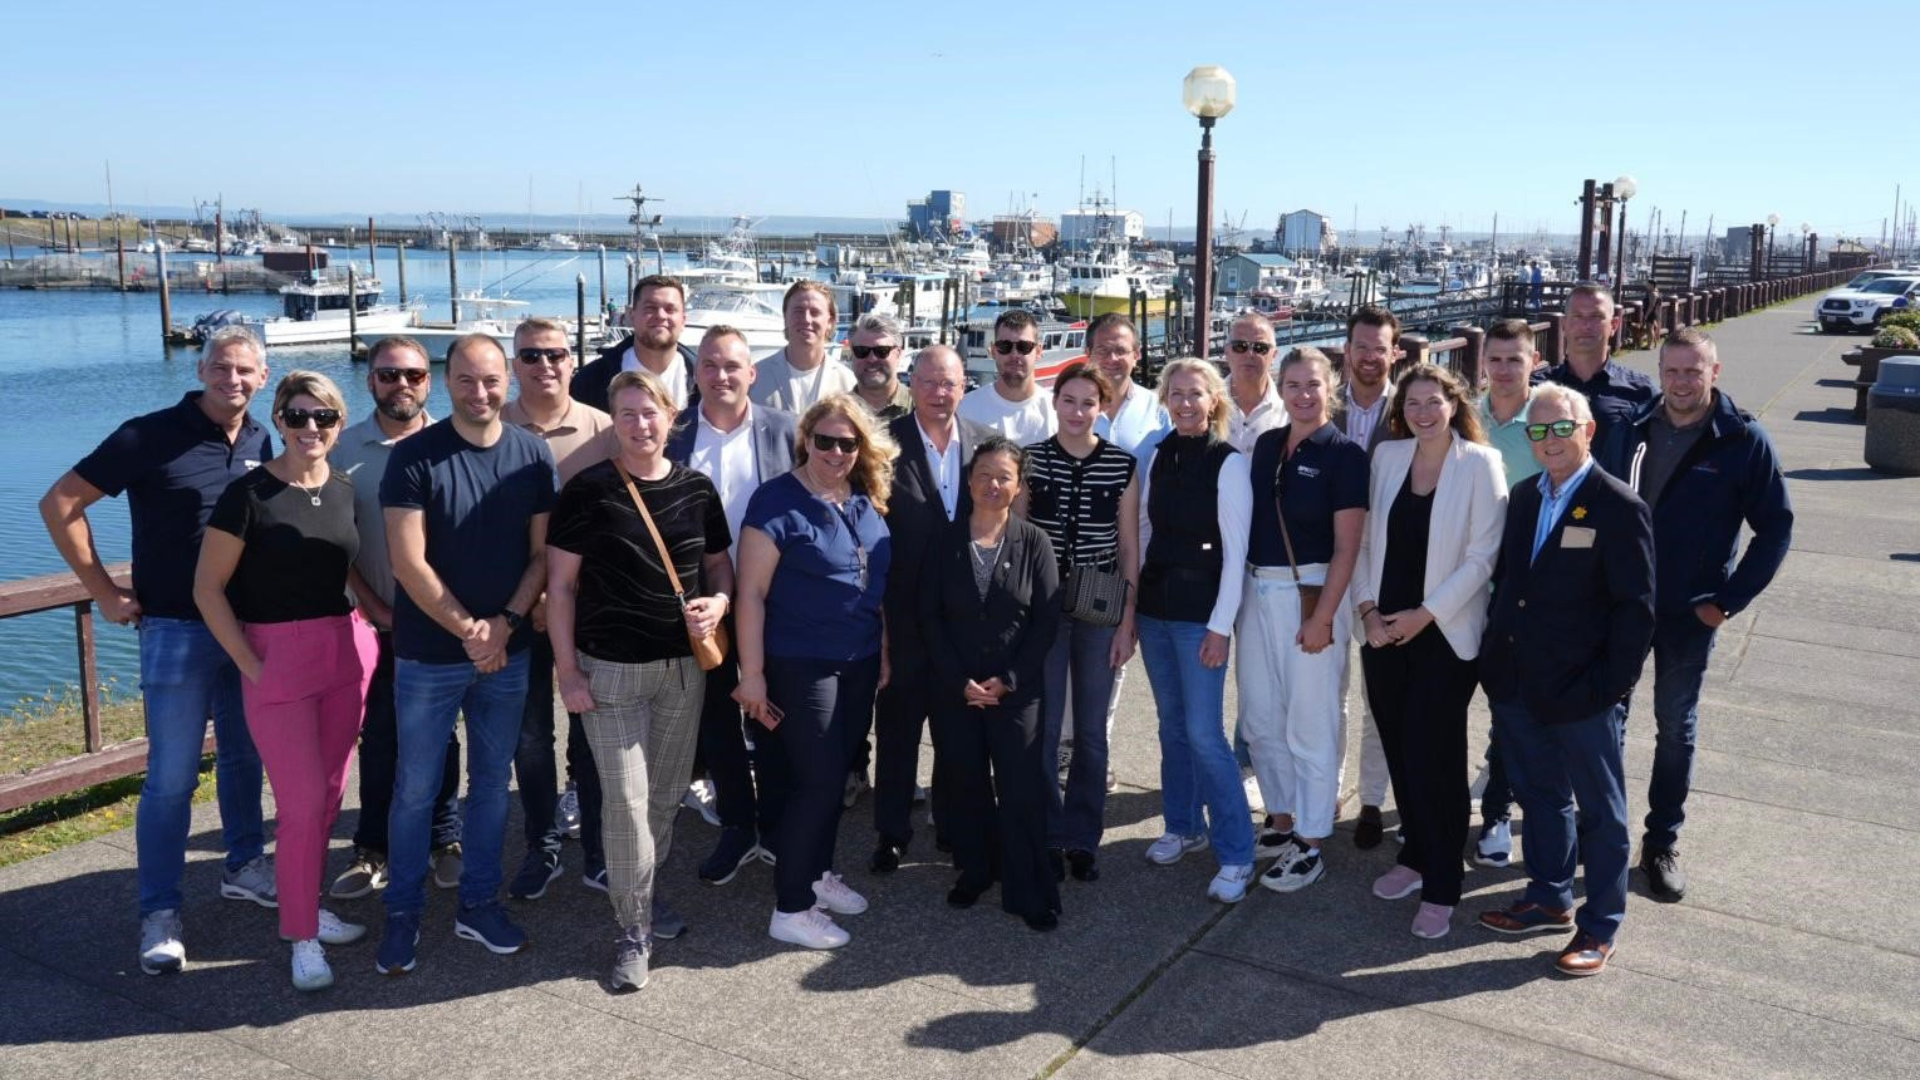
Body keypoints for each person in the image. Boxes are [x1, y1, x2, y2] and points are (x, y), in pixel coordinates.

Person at [40, 325, 272, 976]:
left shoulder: (260, 437)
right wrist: (104, 591)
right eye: (222, 368)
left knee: (244, 755)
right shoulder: (146, 434)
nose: (234, 380)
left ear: (264, 376)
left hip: (246, 626)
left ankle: (245, 866)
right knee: (171, 777)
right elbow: (60, 503)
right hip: (176, 627)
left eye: (246, 371)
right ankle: (161, 912)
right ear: (200, 370)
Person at [376, 334, 557, 975]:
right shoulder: (414, 457)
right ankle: (401, 915)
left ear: (506, 379)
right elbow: (408, 560)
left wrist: (504, 625)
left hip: (508, 652)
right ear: (445, 382)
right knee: (416, 790)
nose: (479, 393)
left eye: (489, 380)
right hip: (430, 654)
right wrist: (469, 630)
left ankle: (478, 903)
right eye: (465, 380)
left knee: (491, 790)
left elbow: (541, 555)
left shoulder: (533, 455)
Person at [548, 369, 734, 993]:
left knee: (663, 798)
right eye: (626, 414)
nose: (639, 425)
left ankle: (644, 898)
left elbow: (718, 567)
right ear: (614, 420)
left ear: (671, 416)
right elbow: (562, 588)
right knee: (626, 805)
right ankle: (632, 931)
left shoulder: (697, 489)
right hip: (609, 674)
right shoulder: (587, 491)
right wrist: (568, 671)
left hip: (683, 672)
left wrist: (721, 604)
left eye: (649, 413)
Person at [192, 371, 378, 990]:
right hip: (275, 656)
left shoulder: (347, 489)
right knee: (299, 807)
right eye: (296, 417)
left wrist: (376, 633)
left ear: (338, 422)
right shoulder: (247, 495)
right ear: (278, 419)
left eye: (322, 417)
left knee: (327, 798)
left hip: (343, 651)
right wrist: (251, 664)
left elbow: (345, 570)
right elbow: (207, 589)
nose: (309, 429)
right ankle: (300, 935)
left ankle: (308, 905)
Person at [1600, 328, 1792, 902]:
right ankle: (1603, 833)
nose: (1682, 383)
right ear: (1658, 372)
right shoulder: (1630, 428)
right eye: (1672, 371)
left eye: (1693, 371)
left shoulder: (1741, 438)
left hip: (1689, 615)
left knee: (1674, 731)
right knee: (1606, 725)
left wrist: (1726, 602)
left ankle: (1660, 843)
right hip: (1623, 607)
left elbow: (1775, 527)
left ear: (1715, 371)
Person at [1477, 384, 1654, 977]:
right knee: (1540, 795)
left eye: (1561, 429)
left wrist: (1611, 687)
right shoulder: (1526, 496)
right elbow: (1511, 585)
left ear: (1587, 431)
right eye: (1538, 431)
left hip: (1585, 689)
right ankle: (1550, 894)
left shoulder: (1619, 506)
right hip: (1521, 682)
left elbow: (1636, 611)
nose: (1549, 442)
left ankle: (1600, 925)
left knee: (1601, 812)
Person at [734, 394, 897, 949]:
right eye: (824, 440)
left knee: (837, 779)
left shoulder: (864, 497)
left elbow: (877, 585)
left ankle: (816, 875)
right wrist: (751, 674)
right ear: (806, 439)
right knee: (817, 780)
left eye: (847, 443)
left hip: (858, 659)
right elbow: (751, 594)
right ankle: (791, 907)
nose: (834, 451)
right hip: (799, 662)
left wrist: (885, 651)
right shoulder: (775, 501)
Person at [1351, 364, 1508, 939]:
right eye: (1411, 403)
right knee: (1397, 747)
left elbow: (1483, 556)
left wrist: (1425, 615)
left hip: (1444, 635)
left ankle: (1442, 883)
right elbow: (1365, 541)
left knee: (1436, 759)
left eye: (1432, 402)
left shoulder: (1480, 464)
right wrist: (1368, 611)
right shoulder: (1388, 458)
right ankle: (1415, 854)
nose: (1422, 413)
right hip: (1382, 630)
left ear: (1453, 403)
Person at [329, 337, 465, 901]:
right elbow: (335, 542)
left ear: (428, 382)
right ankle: (372, 847)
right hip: (375, 620)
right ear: (370, 382)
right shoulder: (341, 451)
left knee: (443, 738)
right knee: (381, 735)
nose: (401, 385)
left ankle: (444, 838)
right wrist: (366, 601)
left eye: (412, 374)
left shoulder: (452, 444)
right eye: (388, 375)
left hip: (441, 620)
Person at [664, 325, 799, 885]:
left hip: (777, 599)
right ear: (696, 374)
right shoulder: (672, 436)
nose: (721, 376)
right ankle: (738, 826)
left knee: (774, 713)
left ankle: (778, 823)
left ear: (753, 374)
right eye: (711, 366)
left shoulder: (787, 431)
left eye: (732, 366)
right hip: (704, 604)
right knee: (717, 720)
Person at [1237, 348, 1367, 894]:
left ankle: (1312, 839)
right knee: (1262, 718)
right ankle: (1283, 818)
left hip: (1309, 593)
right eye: (1293, 385)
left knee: (1310, 723)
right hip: (1256, 590)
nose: (1303, 395)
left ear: (1329, 387)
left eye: (1313, 384)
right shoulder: (1267, 445)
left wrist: (1325, 617)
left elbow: (1347, 548)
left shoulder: (1345, 455)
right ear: (1281, 388)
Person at [922, 436, 1064, 929]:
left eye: (1004, 476)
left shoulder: (1035, 542)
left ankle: (1027, 887)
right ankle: (976, 870)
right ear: (968, 482)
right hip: (955, 689)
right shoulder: (943, 540)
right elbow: (930, 618)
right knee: (965, 781)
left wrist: (1008, 678)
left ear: (1019, 486)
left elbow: (1047, 620)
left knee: (1020, 787)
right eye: (983, 475)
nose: (993, 485)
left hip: (1015, 691)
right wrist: (958, 679)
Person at [1135, 358, 1255, 902]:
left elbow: (1236, 555)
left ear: (1214, 402)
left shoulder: (1228, 463)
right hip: (1155, 611)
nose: (1185, 403)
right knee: (1171, 726)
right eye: (1176, 393)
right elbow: (1141, 531)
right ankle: (1183, 826)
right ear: (1165, 399)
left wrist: (1220, 627)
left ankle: (1236, 853)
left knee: (1207, 735)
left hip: (1200, 617)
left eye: (1195, 394)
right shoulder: (1156, 454)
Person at [502, 318, 613, 903]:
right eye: (531, 355)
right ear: (514, 363)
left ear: (573, 361)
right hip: (517, 609)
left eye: (556, 354)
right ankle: (542, 845)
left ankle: (596, 846)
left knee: (590, 733)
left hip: (588, 609)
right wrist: (534, 599)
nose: (545, 365)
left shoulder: (603, 430)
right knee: (529, 739)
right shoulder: (492, 429)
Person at [869, 346, 991, 873]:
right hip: (901, 613)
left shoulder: (986, 443)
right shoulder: (881, 445)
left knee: (956, 729)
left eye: (950, 384)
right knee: (897, 732)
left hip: (965, 617)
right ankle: (891, 832)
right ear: (909, 382)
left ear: (964, 385)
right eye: (930, 383)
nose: (940, 394)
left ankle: (950, 823)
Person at [1021, 362, 1139, 882]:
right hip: (1045, 603)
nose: (1077, 411)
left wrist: (1127, 618)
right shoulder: (1031, 461)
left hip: (1099, 599)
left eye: (1088, 402)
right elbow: (1018, 539)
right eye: (1068, 400)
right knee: (1044, 729)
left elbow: (1130, 544)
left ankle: (1082, 837)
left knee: (1091, 730)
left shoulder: (1122, 465)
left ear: (1102, 407)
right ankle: (1046, 831)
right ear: (1056, 403)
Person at [1469, 320, 1544, 869]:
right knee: (1444, 705)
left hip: (1518, 593)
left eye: (1514, 360)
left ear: (1534, 361)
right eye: (1495, 359)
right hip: (1460, 587)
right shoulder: (1463, 416)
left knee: (1507, 712)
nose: (1503, 370)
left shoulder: (1545, 423)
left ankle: (1496, 812)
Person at [1336, 305, 1400, 849]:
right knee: (1323, 690)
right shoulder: (1318, 404)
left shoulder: (1414, 410)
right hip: (1327, 569)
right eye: (1361, 345)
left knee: (1381, 695)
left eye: (1380, 347)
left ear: (1394, 353)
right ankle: (1327, 788)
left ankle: (1373, 799)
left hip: (1387, 570)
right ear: (1347, 349)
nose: (1369, 356)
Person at [1538, 283, 1655, 442]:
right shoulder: (1539, 387)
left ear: (1614, 325)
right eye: (1577, 316)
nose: (1586, 325)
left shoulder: (1641, 391)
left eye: (1596, 317)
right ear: (1564, 324)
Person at [574, 274, 700, 413]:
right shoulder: (591, 380)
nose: (661, 315)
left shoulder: (703, 381)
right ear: (632, 316)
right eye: (650, 308)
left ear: (683, 320)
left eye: (670, 309)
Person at [750, 280, 858, 412]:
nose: (806, 319)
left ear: (830, 322)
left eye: (815, 312)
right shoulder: (756, 378)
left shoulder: (848, 383)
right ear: (785, 317)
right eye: (798, 311)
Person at [958, 308, 1057, 445]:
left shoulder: (1057, 412)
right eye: (1005, 346)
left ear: (1038, 351)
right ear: (993, 351)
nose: (1015, 354)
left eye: (1024, 347)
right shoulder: (965, 410)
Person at [1085, 313, 1170, 456]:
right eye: (1102, 350)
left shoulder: (1157, 408)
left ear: (1136, 355)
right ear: (1088, 354)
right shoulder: (1068, 409)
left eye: (1121, 351)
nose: (1112, 358)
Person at [1224, 312, 1287, 453]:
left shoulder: (1289, 408)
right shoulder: (1207, 402)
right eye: (1240, 346)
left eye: (1260, 348)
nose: (1249, 354)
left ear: (1274, 355)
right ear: (1227, 352)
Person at [848, 312, 913, 421]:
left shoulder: (922, 408)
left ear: (898, 354)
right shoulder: (836, 412)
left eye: (881, 351)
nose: (872, 359)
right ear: (852, 354)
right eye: (862, 351)